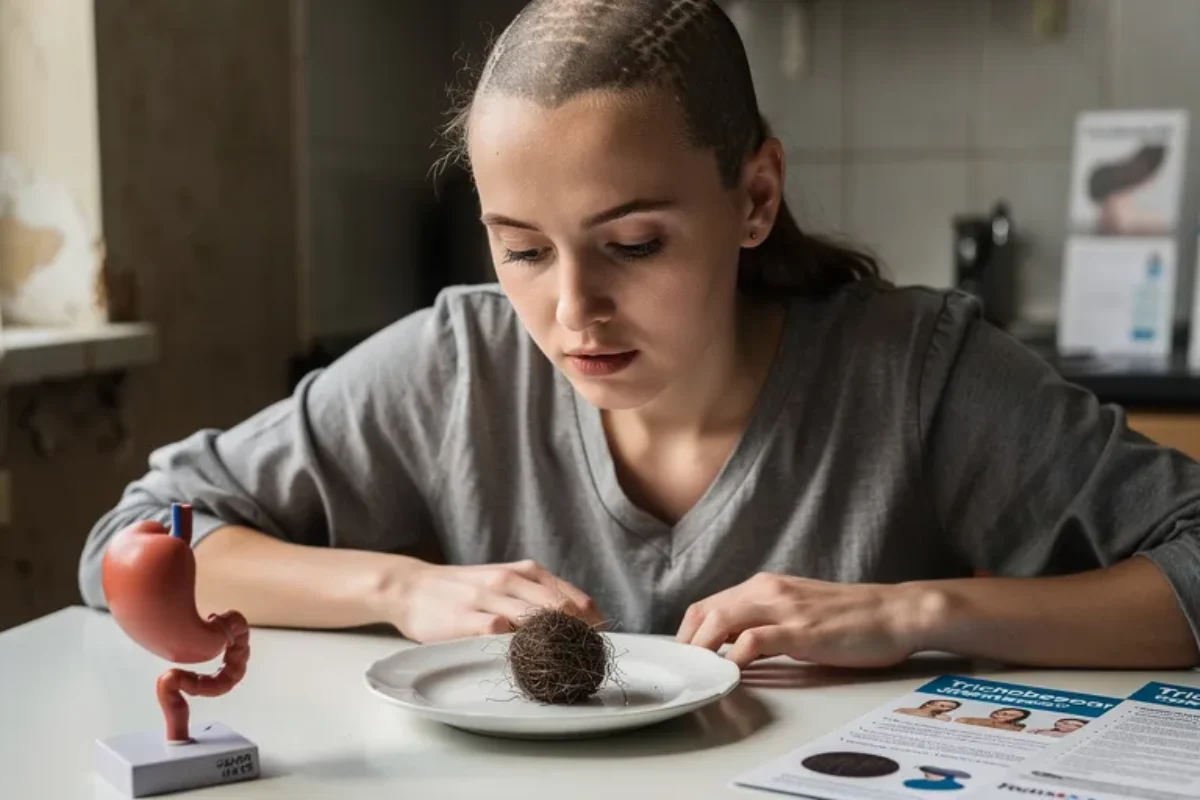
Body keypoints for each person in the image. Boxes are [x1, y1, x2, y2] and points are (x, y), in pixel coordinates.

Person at [78, 0, 1200, 671]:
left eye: (635, 242)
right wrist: (401, 586)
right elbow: (138, 538)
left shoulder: (913, 374)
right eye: (521, 249)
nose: (572, 310)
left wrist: (916, 610)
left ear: (754, 196)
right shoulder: (457, 364)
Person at [955, 708, 1031, 732]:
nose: (1002, 716)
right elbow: (959, 720)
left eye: (1011, 715)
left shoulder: (1019, 729)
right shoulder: (967, 720)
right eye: (1003, 713)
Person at [893, 700, 962, 722]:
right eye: (942, 706)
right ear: (928, 704)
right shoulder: (903, 710)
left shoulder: (944, 718)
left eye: (950, 708)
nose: (946, 709)